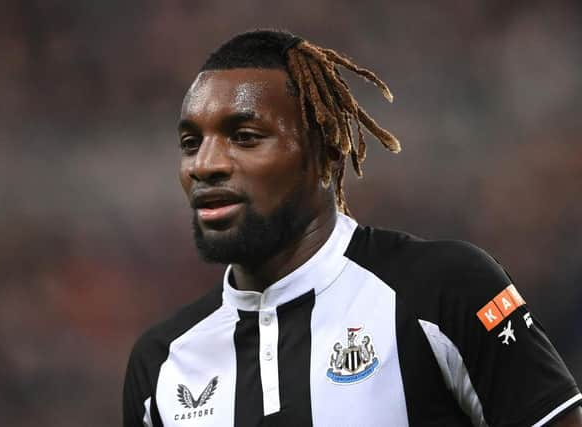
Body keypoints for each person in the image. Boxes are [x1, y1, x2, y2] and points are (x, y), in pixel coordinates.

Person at [123, 29, 581, 426]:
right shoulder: (162, 362)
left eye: (244, 137)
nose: (205, 165)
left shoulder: (442, 290)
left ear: (326, 155)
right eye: (190, 143)